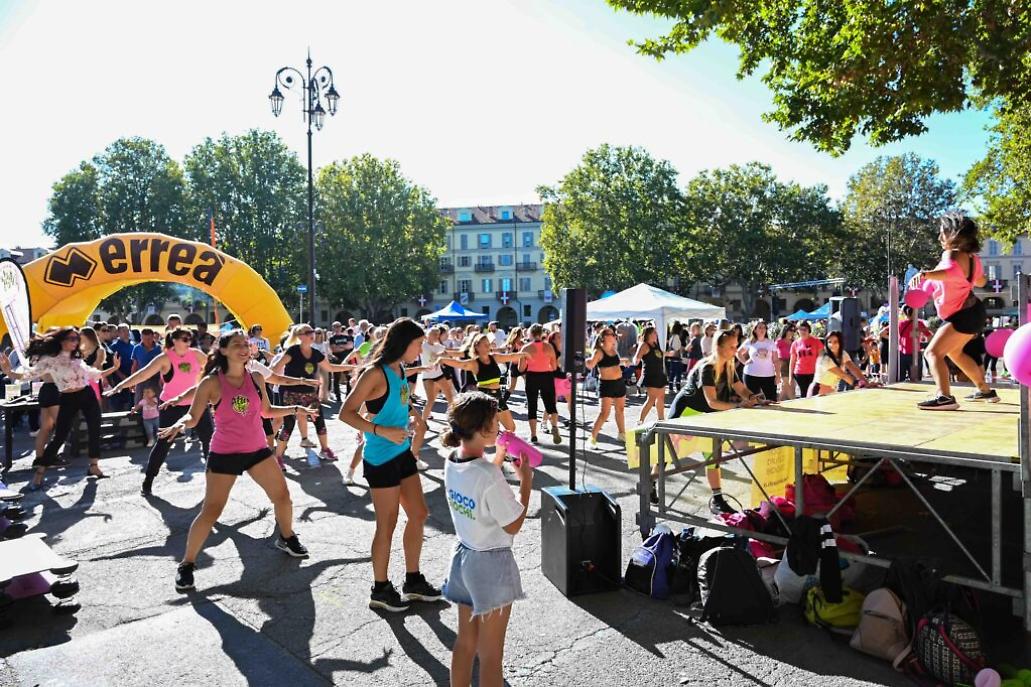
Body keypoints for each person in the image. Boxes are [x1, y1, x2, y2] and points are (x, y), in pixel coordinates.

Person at [164, 329, 313, 593]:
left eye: (246, 344)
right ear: (223, 350)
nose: (244, 349)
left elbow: (266, 411)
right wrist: (179, 423)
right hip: (224, 453)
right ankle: (186, 564)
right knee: (211, 511)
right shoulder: (211, 382)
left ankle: (287, 537)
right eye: (237, 345)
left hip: (256, 450)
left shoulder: (256, 377)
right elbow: (193, 417)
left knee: (283, 496)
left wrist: (295, 409)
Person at [339, 318, 440, 613]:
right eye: (419, 344)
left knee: (420, 514)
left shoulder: (401, 369)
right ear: (404, 342)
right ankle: (380, 588)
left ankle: (413, 580)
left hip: (403, 453)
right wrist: (381, 431)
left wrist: (414, 415)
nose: (421, 350)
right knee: (387, 524)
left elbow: (399, 400)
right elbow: (346, 413)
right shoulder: (375, 372)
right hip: (380, 457)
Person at [441, 392, 531, 687]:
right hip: (491, 566)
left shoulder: (452, 459)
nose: (501, 426)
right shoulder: (490, 475)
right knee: (492, 656)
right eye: (496, 422)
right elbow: (513, 524)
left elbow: (478, 478)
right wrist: (526, 482)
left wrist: (499, 459)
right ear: (482, 430)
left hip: (464, 557)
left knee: (466, 643)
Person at [1, 327, 122, 490]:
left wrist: (113, 368)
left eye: (76, 339)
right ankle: (39, 474)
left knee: (95, 428)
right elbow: (29, 375)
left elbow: (92, 373)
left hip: (87, 394)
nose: (75, 342)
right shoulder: (50, 359)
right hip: (67, 397)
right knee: (59, 436)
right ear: (61, 341)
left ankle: (94, 465)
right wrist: (8, 372)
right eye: (71, 339)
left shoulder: (77, 356)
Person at [106, 328, 213, 496]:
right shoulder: (165, 358)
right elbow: (143, 373)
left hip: (196, 402)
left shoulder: (197, 355)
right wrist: (120, 386)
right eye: (184, 339)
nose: (187, 342)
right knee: (163, 443)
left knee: (209, 440)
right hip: (170, 405)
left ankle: (214, 481)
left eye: (189, 339)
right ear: (174, 340)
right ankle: (148, 480)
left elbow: (214, 370)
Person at [908, 214, 997, 408]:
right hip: (973, 312)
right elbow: (980, 281)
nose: (940, 238)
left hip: (963, 314)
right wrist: (922, 286)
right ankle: (985, 390)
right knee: (954, 352)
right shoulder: (973, 258)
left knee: (932, 353)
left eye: (943, 233)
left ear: (954, 234)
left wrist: (925, 274)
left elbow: (951, 273)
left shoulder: (952, 254)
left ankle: (944, 397)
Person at [668, 329, 761, 512]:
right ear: (718, 347)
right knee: (667, 455)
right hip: (687, 411)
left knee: (713, 457)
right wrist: (739, 406)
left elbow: (741, 389)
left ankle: (717, 499)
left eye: (736, 346)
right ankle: (654, 483)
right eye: (732, 347)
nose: (736, 350)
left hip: (708, 414)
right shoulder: (707, 368)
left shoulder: (728, 365)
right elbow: (712, 401)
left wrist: (755, 398)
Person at [272, 325, 355, 464]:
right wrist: (282, 381)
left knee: (319, 421)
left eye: (313, 331)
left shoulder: (316, 353)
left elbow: (330, 368)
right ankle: (278, 457)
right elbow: (275, 369)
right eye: (308, 332)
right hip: (290, 393)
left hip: (310, 394)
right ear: (300, 336)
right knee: (288, 425)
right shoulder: (292, 351)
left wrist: (351, 367)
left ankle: (325, 449)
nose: (312, 334)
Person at [439, 334, 527, 465]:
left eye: (488, 343)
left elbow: (509, 357)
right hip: (485, 398)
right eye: (485, 344)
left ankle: (501, 449)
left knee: (510, 427)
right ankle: (495, 453)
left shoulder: (494, 357)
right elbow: (459, 363)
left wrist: (523, 354)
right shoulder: (475, 363)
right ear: (477, 347)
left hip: (498, 396)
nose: (488, 346)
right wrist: (442, 359)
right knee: (488, 430)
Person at [518, 324, 561, 444]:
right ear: (541, 333)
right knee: (551, 404)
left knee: (532, 405)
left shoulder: (526, 348)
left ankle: (533, 435)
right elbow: (553, 367)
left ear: (530, 334)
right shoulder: (549, 347)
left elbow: (521, 369)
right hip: (546, 376)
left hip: (532, 377)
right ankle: (554, 427)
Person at [585, 328, 627, 447]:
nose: (614, 336)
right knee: (604, 413)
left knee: (620, 410)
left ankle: (621, 434)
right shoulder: (598, 351)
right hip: (606, 385)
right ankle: (592, 437)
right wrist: (585, 360)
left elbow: (615, 363)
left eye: (614, 334)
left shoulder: (614, 349)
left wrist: (624, 361)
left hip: (619, 383)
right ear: (604, 337)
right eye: (612, 334)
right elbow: (591, 364)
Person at [809, 331, 873, 396]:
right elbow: (843, 375)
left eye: (835, 342)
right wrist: (861, 384)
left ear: (840, 343)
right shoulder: (825, 358)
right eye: (829, 342)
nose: (832, 345)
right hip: (817, 393)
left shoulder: (843, 354)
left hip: (831, 393)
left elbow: (853, 368)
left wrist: (865, 382)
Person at [418, 325, 456, 424]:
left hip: (439, 375)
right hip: (427, 376)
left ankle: (452, 419)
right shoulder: (422, 345)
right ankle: (422, 422)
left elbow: (448, 353)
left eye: (437, 334)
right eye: (433, 334)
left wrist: (442, 354)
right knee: (430, 400)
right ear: (428, 334)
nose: (435, 336)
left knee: (450, 397)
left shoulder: (438, 346)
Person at [633, 326, 669, 424]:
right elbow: (637, 358)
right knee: (651, 399)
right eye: (654, 333)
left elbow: (661, 354)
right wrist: (634, 363)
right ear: (648, 334)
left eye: (655, 333)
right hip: (650, 375)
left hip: (659, 374)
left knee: (661, 397)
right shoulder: (644, 345)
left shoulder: (655, 344)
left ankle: (661, 419)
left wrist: (671, 354)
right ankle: (640, 421)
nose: (656, 335)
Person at [737, 321, 780, 402]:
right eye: (760, 327)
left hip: (768, 376)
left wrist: (778, 375)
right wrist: (744, 362)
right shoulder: (750, 342)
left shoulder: (770, 342)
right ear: (755, 330)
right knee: (752, 401)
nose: (762, 329)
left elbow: (776, 360)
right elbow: (738, 352)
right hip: (751, 375)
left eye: (764, 327)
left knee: (772, 400)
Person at [788, 322, 823, 398]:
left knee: (813, 392)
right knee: (804, 394)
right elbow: (792, 361)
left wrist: (821, 371)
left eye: (805, 329)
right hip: (800, 373)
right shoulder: (795, 343)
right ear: (798, 331)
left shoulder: (816, 341)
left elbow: (821, 357)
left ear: (809, 330)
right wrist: (790, 376)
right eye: (801, 329)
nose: (803, 331)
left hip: (813, 372)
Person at [775, 323, 796, 400]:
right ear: (785, 331)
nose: (792, 332)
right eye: (790, 330)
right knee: (785, 384)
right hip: (782, 363)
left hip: (792, 363)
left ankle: (778, 401)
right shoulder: (779, 342)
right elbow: (774, 354)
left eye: (793, 330)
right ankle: (793, 400)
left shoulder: (794, 342)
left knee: (790, 385)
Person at [666, 323, 685, 393]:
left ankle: (671, 387)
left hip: (672, 358)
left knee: (672, 373)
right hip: (677, 358)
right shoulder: (677, 337)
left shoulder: (672, 337)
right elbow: (677, 348)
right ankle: (678, 387)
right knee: (678, 374)